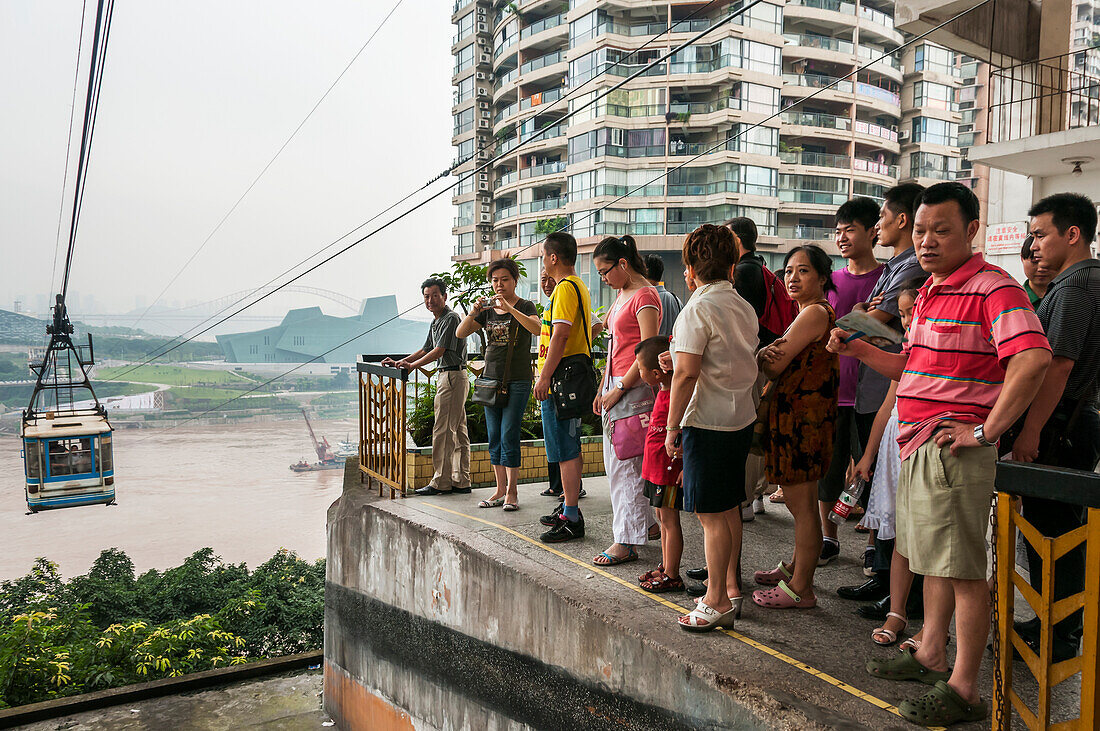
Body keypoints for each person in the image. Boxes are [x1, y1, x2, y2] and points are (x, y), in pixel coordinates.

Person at [832, 182, 1050, 726]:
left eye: (942, 230)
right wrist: (859, 346)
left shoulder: (992, 288)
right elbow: (912, 368)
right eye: (922, 230)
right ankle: (931, 652)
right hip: (920, 443)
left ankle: (965, 687)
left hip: (955, 448)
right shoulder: (931, 290)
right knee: (932, 560)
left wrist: (984, 433)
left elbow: (1033, 358)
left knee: (962, 571)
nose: (927, 241)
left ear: (972, 230)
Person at [1008, 192, 1100, 663]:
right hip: (1071, 424)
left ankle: (1060, 633)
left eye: (1041, 234)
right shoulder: (1084, 281)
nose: (1034, 244)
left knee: (1055, 536)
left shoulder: (1075, 287)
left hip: (1060, 426)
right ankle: (1053, 621)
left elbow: (1057, 366)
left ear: (1072, 234)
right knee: (1055, 531)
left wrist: (1031, 432)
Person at [665, 224, 759, 631]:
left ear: (690, 266)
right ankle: (730, 588)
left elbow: (685, 375)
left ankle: (716, 599)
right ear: (732, 263)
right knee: (727, 509)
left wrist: (671, 427)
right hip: (739, 418)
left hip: (706, 421)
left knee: (710, 516)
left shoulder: (697, 309)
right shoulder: (741, 305)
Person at [840, 183, 928, 600]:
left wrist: (862, 320)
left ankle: (898, 593)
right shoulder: (897, 265)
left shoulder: (912, 267)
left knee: (891, 490)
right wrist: (865, 319)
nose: (878, 226)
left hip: (891, 386)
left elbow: (868, 321)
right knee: (877, 482)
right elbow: (869, 319)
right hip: (877, 385)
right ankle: (884, 579)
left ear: (902, 219)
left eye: (881, 218)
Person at [752, 244, 839, 610]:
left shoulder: (813, 313)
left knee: (802, 506)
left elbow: (775, 364)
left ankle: (802, 587)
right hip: (800, 418)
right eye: (788, 271)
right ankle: (796, 567)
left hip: (802, 422)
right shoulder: (807, 313)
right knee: (796, 501)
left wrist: (761, 354)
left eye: (803, 271)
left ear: (821, 277)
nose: (792, 277)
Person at [849, 280, 924, 647]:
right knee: (898, 537)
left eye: (913, 312)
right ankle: (897, 611)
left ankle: (919, 615)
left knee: (922, 540)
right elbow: (887, 408)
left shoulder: (926, 356)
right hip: (895, 450)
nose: (908, 321)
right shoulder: (908, 357)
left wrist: (859, 344)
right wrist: (867, 455)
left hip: (920, 451)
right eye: (905, 314)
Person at [819, 198, 884, 567]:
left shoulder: (888, 278)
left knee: (871, 471)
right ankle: (829, 537)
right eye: (838, 231)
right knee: (828, 470)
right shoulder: (832, 280)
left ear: (873, 231)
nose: (842, 237)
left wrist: (858, 321)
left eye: (850, 229)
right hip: (834, 391)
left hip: (874, 393)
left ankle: (875, 540)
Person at [591, 235, 661, 565]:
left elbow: (648, 350)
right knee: (622, 461)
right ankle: (643, 526)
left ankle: (627, 540)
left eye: (606, 271)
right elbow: (614, 344)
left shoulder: (645, 295)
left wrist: (618, 388)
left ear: (622, 264)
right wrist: (603, 386)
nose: (603, 278)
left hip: (630, 387)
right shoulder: (623, 293)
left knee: (625, 467)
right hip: (615, 383)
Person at [456, 258, 539, 511]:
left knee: (509, 434)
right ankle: (499, 490)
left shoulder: (526, 305)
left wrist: (511, 309)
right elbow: (460, 333)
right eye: (494, 280)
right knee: (494, 437)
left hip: (518, 380)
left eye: (504, 279)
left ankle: (512, 492)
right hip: (490, 380)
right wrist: (474, 311)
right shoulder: (488, 310)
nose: (499, 285)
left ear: (515, 280)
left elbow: (536, 329)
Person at [384, 278, 471, 496]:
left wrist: (412, 366)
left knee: (443, 430)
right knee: (458, 429)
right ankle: (461, 480)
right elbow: (426, 348)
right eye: (426, 296)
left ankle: (441, 482)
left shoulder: (450, 318)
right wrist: (402, 362)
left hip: (451, 376)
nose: (430, 300)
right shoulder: (437, 320)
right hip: (453, 376)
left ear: (444, 296)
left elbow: (439, 350)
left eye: (434, 295)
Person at [537, 232, 594, 543]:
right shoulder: (577, 285)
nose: (544, 263)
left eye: (545, 257)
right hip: (569, 375)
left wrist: (544, 376)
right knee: (568, 447)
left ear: (554, 257)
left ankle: (571, 515)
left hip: (561, 378)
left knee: (565, 450)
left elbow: (560, 335)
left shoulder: (565, 288)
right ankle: (568, 506)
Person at [725, 216, 783, 521]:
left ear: (736, 240)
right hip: (768, 357)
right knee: (759, 425)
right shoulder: (763, 269)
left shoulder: (743, 273)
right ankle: (758, 494)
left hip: (751, 360)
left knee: (747, 429)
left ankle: (745, 500)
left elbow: (738, 324)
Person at [635, 335, 685, 593]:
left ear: (656, 373)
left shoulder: (677, 394)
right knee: (660, 516)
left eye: (641, 369)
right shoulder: (664, 391)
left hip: (668, 470)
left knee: (669, 519)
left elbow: (684, 432)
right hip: (655, 469)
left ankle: (673, 574)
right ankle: (666, 566)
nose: (639, 373)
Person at [644, 254, 682, 338]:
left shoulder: (644, 300)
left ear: (645, 271)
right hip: (673, 349)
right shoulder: (676, 300)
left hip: (650, 349)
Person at [1020, 236, 1055, 308]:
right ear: (1022, 258)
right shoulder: (1014, 298)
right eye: (1035, 261)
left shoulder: (1068, 297)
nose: (1041, 269)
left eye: (1048, 262)